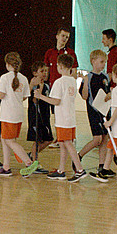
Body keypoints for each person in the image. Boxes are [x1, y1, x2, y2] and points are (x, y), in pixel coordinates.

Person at [34, 53, 85, 182]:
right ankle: (61, 170)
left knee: (67, 143)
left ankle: (79, 169)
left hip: (63, 119)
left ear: (60, 66)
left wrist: (40, 96)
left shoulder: (59, 82)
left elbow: (56, 101)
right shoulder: (73, 81)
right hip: (70, 118)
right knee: (63, 144)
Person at [0, 52, 31, 177]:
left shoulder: (5, 78)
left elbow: (0, 95)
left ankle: (29, 163)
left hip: (8, 114)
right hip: (18, 113)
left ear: (8, 64)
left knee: (9, 141)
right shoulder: (24, 78)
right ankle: (6, 167)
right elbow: (24, 96)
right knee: (5, 139)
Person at [76, 49, 111, 165]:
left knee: (105, 138)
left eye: (105, 62)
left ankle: (101, 166)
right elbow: (85, 96)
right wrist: (85, 82)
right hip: (94, 112)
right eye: (101, 62)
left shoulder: (105, 77)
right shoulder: (88, 78)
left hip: (105, 111)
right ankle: (79, 155)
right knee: (97, 139)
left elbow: (107, 94)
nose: (103, 64)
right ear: (93, 61)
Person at [26, 61, 54, 168]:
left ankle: (32, 155)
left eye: (46, 71)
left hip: (45, 116)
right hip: (36, 116)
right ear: (35, 73)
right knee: (37, 140)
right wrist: (39, 88)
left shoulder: (46, 85)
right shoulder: (35, 84)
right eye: (42, 71)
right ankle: (34, 162)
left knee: (49, 139)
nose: (45, 73)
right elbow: (34, 100)